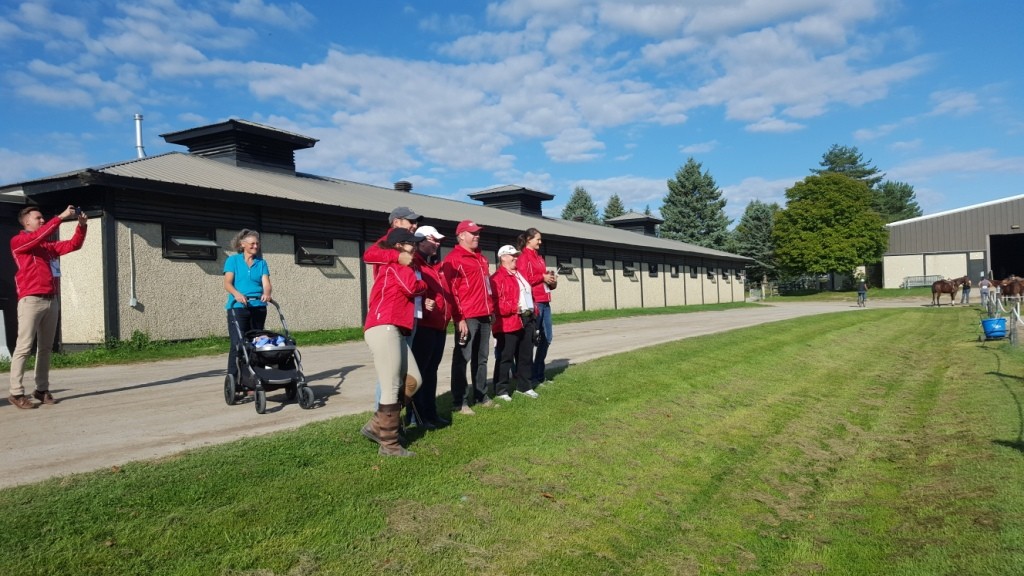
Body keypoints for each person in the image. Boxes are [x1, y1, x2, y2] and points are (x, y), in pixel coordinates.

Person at [8, 205, 88, 409]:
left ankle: (41, 389)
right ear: (26, 222)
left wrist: (81, 226)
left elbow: (73, 245)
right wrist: (60, 217)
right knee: (24, 347)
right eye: (38, 218)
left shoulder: (47, 247)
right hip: (31, 300)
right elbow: (36, 237)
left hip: (51, 300)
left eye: (43, 218)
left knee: (45, 348)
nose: (42, 220)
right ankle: (16, 392)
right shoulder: (19, 241)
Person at [360, 228, 426, 457]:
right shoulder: (396, 266)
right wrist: (423, 285)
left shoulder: (402, 265)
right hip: (384, 326)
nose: (415, 247)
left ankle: (377, 425)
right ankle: (389, 445)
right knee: (391, 386)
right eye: (411, 243)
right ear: (399, 245)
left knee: (414, 380)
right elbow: (412, 288)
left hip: (394, 327)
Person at [442, 219, 496, 415]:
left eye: (478, 233)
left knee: (481, 358)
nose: (477, 236)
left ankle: (481, 395)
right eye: (473, 233)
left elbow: (486, 288)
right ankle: (460, 401)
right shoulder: (453, 259)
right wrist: (459, 318)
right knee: (462, 358)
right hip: (468, 316)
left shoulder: (481, 258)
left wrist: (491, 309)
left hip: (484, 314)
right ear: (461, 235)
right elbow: (451, 290)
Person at [408, 225, 451, 429]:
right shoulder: (413, 264)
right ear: (421, 240)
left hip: (439, 325)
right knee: (420, 371)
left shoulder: (433, 266)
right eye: (434, 240)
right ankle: (416, 415)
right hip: (423, 325)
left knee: (431, 371)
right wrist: (423, 302)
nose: (437, 244)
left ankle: (431, 412)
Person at [223, 229, 272, 382]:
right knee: (238, 344)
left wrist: (267, 293)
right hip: (237, 307)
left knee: (255, 343)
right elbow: (227, 283)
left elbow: (266, 283)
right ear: (242, 245)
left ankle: (251, 379)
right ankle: (234, 378)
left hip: (258, 306)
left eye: (257, 243)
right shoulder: (233, 261)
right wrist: (237, 294)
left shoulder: (261, 263)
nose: (255, 246)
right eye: (252, 243)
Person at [490, 245, 537, 400]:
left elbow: (529, 294)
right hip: (509, 321)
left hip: (526, 318)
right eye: (512, 256)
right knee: (506, 356)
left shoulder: (519, 274)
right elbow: (495, 303)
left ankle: (525, 386)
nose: (515, 258)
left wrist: (533, 311)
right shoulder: (497, 278)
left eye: (516, 256)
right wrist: (512, 308)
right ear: (503, 257)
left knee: (525, 355)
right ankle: (501, 389)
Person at [516, 228, 557, 387]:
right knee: (532, 340)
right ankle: (530, 376)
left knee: (547, 338)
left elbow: (544, 280)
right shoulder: (523, 258)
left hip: (545, 301)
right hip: (534, 302)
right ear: (528, 240)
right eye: (537, 239)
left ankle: (539, 374)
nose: (540, 242)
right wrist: (542, 277)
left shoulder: (540, 258)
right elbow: (524, 279)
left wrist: (551, 282)